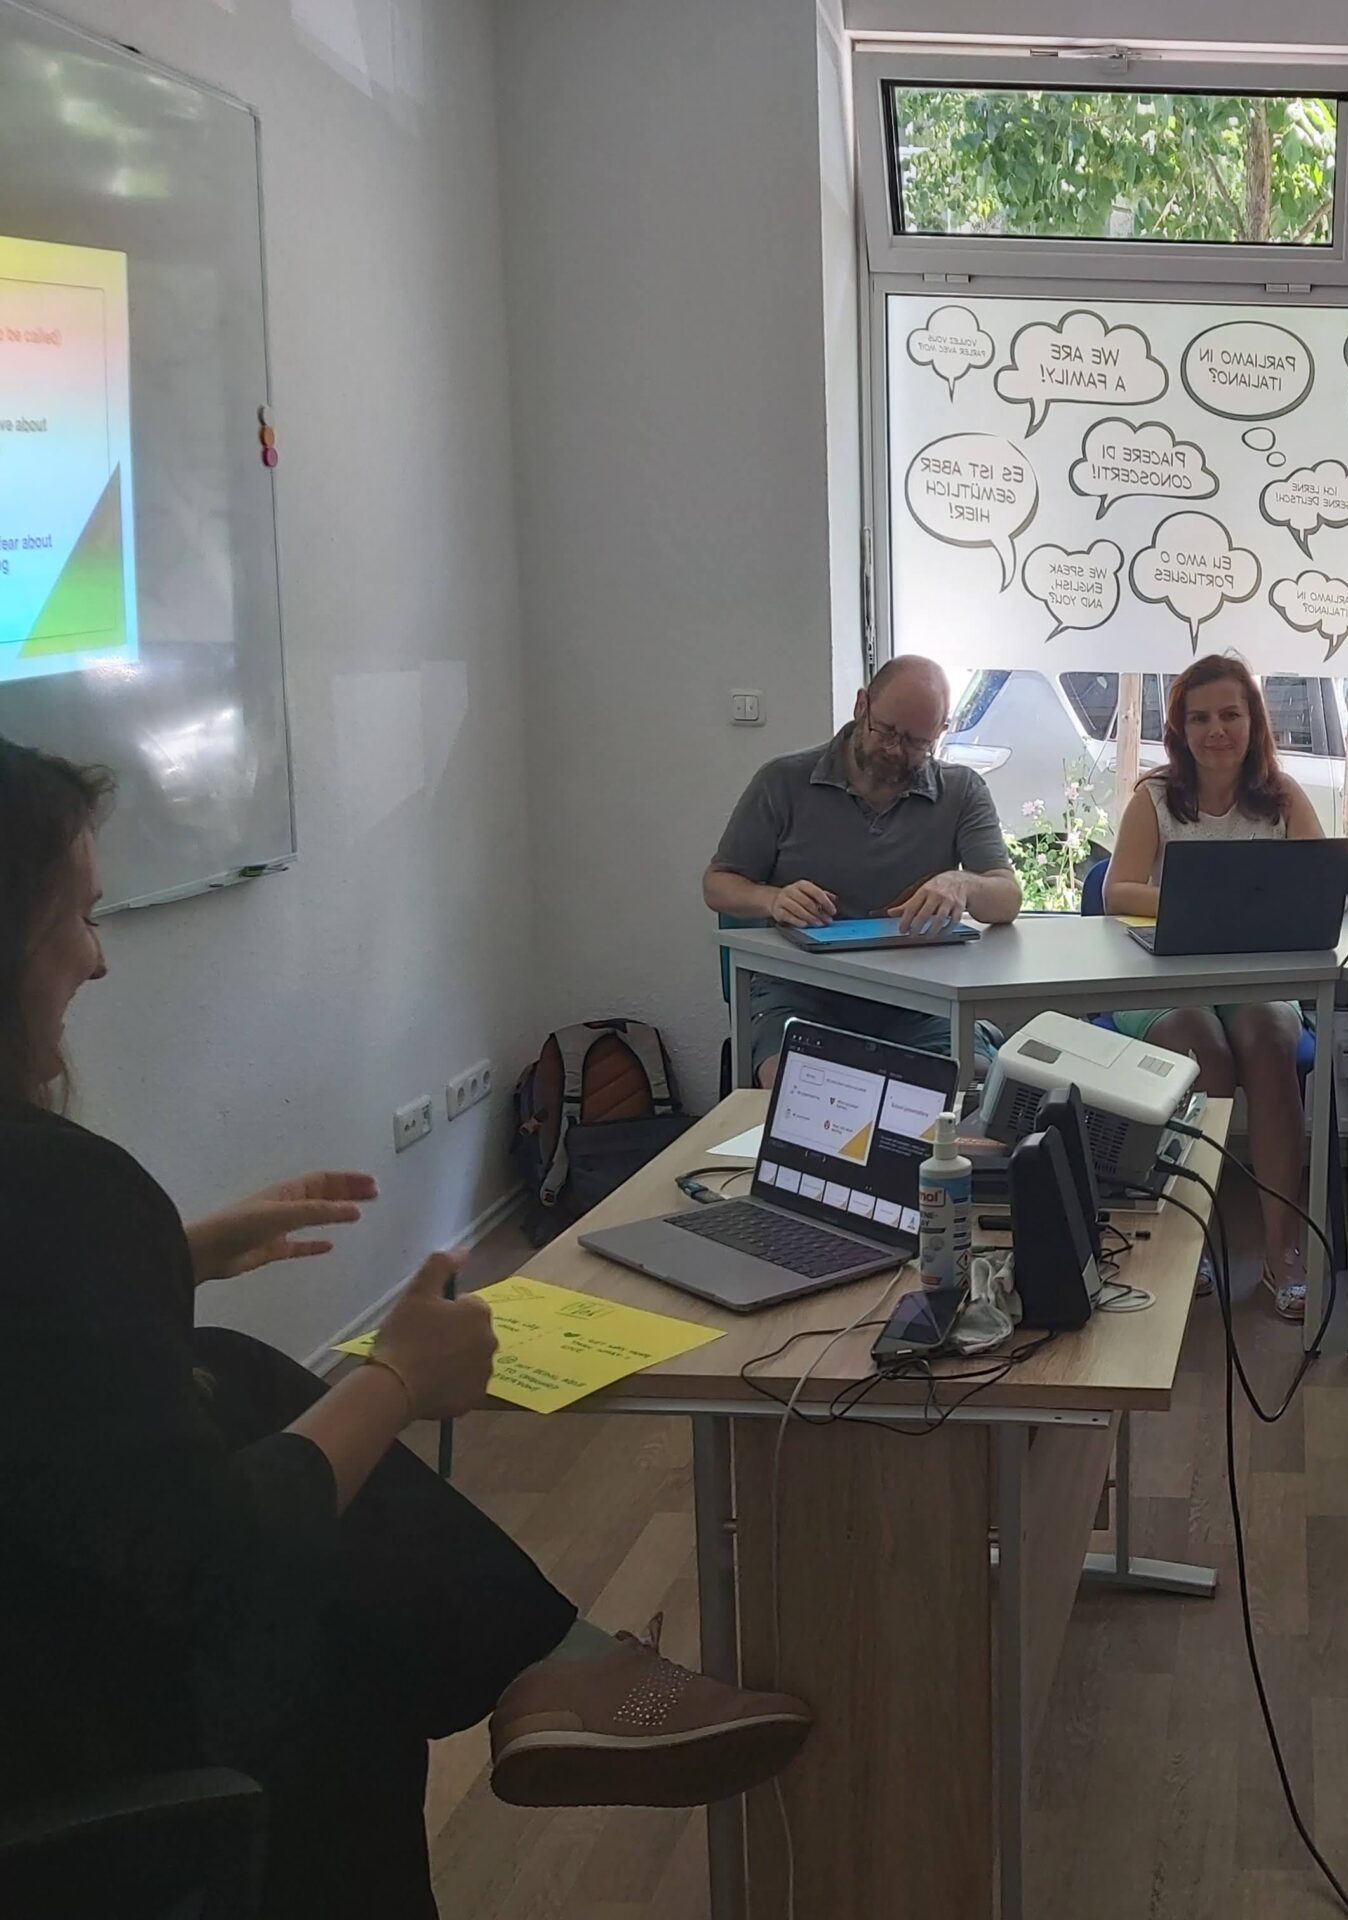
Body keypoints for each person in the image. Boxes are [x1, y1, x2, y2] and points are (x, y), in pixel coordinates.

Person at [1, 742, 812, 1920]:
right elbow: (208, 1566)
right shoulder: (48, 1186)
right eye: (74, 918)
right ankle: (557, 1665)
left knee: (226, 1366)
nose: (98, 956)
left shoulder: (54, 1203)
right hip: (72, 1750)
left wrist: (166, 1256)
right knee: (342, 1650)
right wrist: (395, 1380)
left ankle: (557, 1663)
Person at [1100, 656, 1327, 1319]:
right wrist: (1203, 902)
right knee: (1203, 1050)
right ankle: (1188, 1240)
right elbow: (1117, 892)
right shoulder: (1154, 797)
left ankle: (1282, 1250)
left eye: (1230, 715)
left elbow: (1321, 885)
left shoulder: (1283, 797)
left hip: (1256, 979)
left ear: (1254, 723)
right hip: (1162, 980)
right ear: (1179, 730)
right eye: (1199, 718)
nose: (1216, 731)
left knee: (1270, 1041)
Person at [704, 656, 1021, 1085]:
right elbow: (718, 884)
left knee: (968, 1086)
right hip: (802, 989)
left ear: (940, 733)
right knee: (799, 1085)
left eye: (916, 742)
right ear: (861, 706)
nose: (895, 751)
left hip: (920, 996)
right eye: (886, 731)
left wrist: (963, 883)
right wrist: (772, 898)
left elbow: (1007, 898)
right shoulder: (783, 781)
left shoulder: (961, 791)